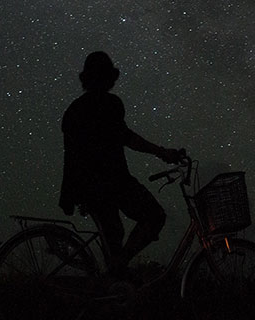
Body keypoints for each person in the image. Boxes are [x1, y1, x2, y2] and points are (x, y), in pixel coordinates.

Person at [59, 50, 184, 277]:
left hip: (89, 185)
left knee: (114, 237)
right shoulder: (111, 104)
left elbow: (71, 155)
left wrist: (68, 193)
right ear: (108, 77)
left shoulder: (74, 110)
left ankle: (115, 284)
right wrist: (161, 152)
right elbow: (127, 137)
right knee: (153, 216)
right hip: (114, 182)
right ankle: (118, 272)